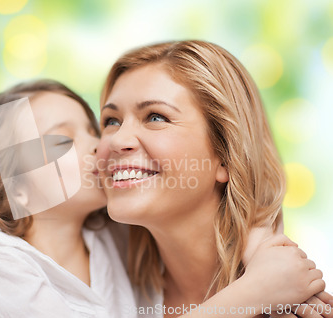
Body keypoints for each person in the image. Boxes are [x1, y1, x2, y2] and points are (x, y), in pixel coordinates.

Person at [0, 79, 330, 318]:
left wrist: (262, 250)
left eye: (95, 128)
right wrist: (256, 291)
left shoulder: (111, 235)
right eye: (64, 140)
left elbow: (217, 198)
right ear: (14, 186)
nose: (104, 145)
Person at [97, 40, 332, 317]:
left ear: (226, 156)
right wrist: (254, 292)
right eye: (111, 121)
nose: (118, 140)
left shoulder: (296, 306)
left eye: (156, 117)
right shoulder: (103, 283)